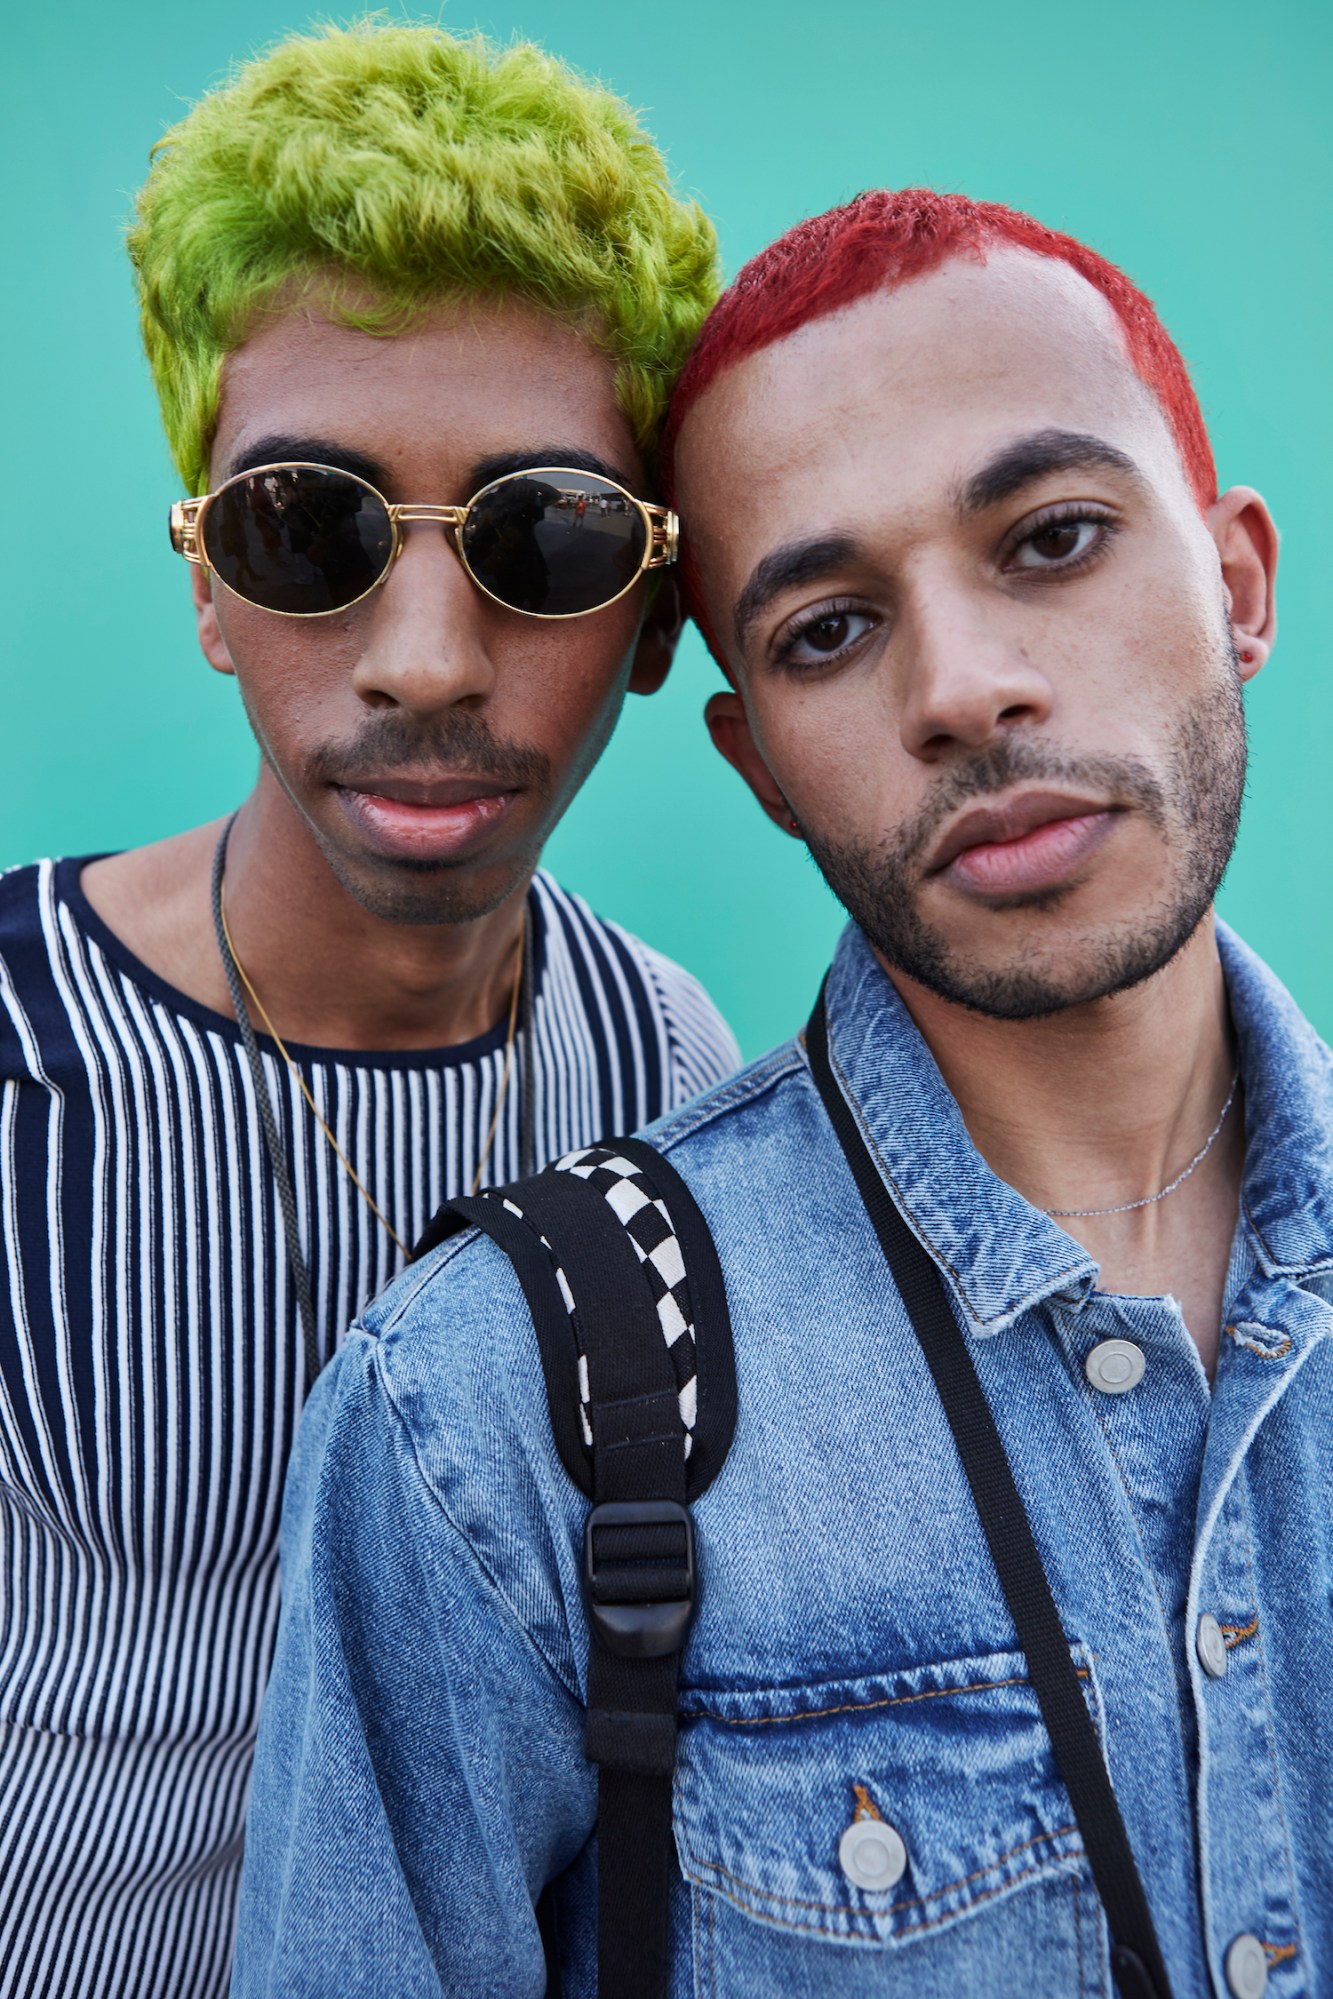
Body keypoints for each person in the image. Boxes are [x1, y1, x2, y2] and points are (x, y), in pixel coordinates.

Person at [232, 188, 1324, 1998]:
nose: (966, 691)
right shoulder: (502, 1401)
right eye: (826, 630)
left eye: (1051, 537)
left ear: (1237, 583)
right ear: (754, 761)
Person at [0, 23, 737, 1998]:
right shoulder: (14, 1065)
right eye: (308, 528)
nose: (423, 659)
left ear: (660, 615)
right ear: (208, 587)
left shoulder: (671, 1081)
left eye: (545, 539)